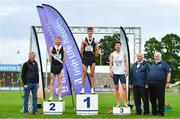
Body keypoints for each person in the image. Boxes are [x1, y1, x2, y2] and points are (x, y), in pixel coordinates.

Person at [147, 52, 171, 116]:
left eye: (158, 56)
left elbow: (168, 73)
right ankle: (154, 112)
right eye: (155, 56)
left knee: (160, 98)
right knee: (152, 99)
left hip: (160, 83)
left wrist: (168, 82)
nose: (157, 57)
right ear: (153, 57)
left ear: (160, 56)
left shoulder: (164, 64)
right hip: (151, 83)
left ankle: (161, 113)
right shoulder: (152, 64)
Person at [80, 27, 99, 94]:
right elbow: (81, 50)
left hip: (92, 58)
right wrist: (83, 56)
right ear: (87, 32)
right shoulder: (84, 40)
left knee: (92, 74)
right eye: (89, 31)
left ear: (92, 32)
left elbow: (97, 49)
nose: (90, 32)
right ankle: (82, 89)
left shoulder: (95, 40)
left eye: (91, 31)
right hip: (85, 57)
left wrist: (95, 55)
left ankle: (92, 89)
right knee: (84, 74)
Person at [109, 41, 128, 107]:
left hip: (122, 72)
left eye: (119, 45)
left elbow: (126, 62)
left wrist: (127, 70)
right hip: (115, 73)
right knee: (116, 88)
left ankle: (125, 103)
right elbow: (110, 63)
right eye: (116, 45)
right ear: (115, 46)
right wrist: (111, 71)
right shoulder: (112, 54)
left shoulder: (123, 53)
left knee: (124, 87)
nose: (117, 46)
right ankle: (118, 103)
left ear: (120, 46)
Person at [48, 36, 66, 101]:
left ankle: (60, 96)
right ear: (55, 41)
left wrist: (61, 65)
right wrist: (52, 64)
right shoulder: (51, 48)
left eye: (59, 40)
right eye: (57, 40)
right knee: (52, 82)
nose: (58, 42)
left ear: (61, 41)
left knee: (60, 82)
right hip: (53, 66)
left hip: (60, 66)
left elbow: (64, 58)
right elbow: (50, 58)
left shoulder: (63, 48)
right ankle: (51, 96)